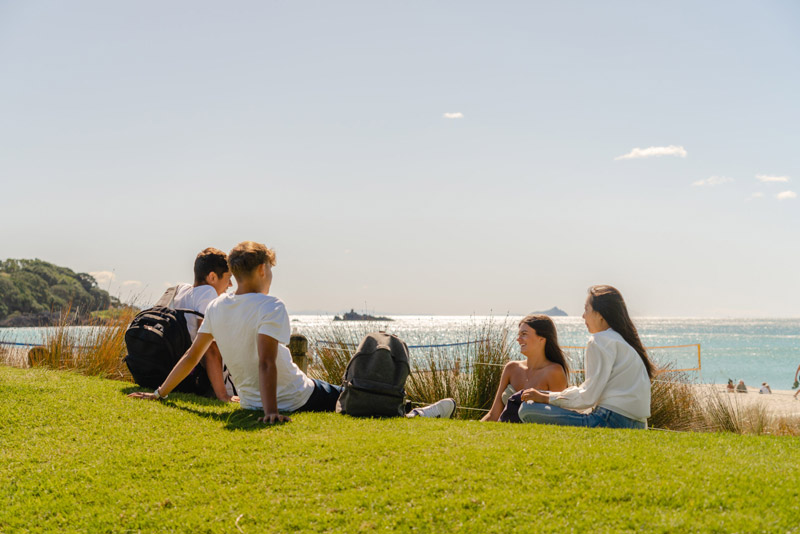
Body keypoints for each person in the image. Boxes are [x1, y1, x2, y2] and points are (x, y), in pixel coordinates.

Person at [130, 241, 455, 423]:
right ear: (261, 270)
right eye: (269, 269)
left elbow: (191, 356)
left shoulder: (217, 307)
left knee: (347, 396)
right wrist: (271, 412)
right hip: (299, 396)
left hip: (250, 403)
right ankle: (416, 414)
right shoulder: (272, 306)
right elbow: (267, 363)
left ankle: (410, 409)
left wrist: (160, 393)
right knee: (355, 400)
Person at [516, 285, 654, 429]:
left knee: (527, 409)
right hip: (638, 425)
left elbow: (588, 397)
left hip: (609, 421)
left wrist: (546, 398)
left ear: (600, 314)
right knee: (550, 398)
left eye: (586, 309)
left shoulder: (600, 340)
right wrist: (551, 397)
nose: (583, 316)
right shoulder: (624, 342)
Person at [168, 247, 235, 402]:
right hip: (208, 378)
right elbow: (209, 347)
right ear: (212, 277)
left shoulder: (182, 291)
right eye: (228, 277)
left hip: (187, 372)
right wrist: (223, 394)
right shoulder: (207, 293)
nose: (230, 284)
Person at [481, 315, 568, 422]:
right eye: (519, 334)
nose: (518, 339)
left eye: (524, 334)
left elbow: (558, 418)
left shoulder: (554, 372)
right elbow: (493, 415)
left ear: (541, 338)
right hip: (501, 432)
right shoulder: (511, 368)